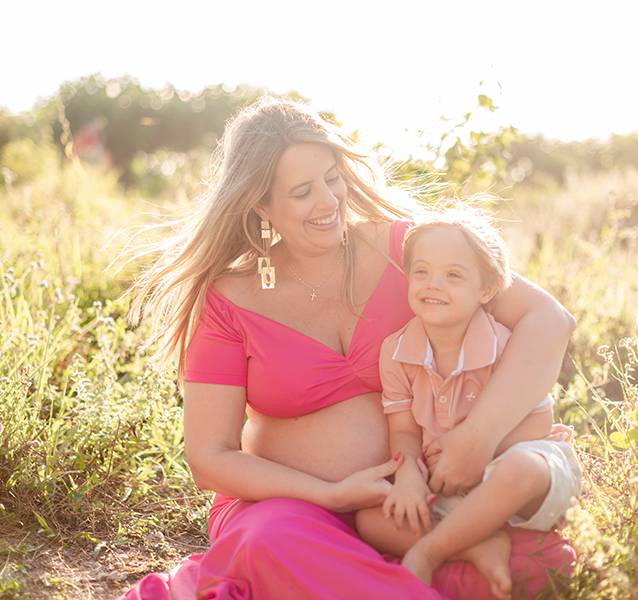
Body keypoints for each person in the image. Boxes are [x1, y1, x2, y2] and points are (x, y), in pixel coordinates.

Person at [117, 96, 577, 600]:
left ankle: (407, 559)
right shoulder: (228, 301)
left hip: (409, 504)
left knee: (540, 563)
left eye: (331, 179)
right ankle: (417, 569)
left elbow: (548, 320)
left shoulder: (408, 251)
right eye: (301, 192)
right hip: (289, 510)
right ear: (260, 204)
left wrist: (477, 439)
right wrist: (330, 493)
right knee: (273, 543)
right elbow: (210, 457)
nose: (328, 201)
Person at [355, 213, 582, 600]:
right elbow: (405, 431)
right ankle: (475, 544)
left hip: (514, 464)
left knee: (521, 469)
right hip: (446, 480)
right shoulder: (394, 353)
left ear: (488, 289)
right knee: (369, 518)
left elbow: (537, 421)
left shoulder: (505, 344)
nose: (433, 285)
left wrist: (479, 450)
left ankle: (428, 551)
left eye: (453, 276)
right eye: (421, 272)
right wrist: (408, 473)